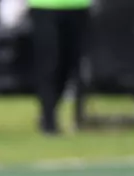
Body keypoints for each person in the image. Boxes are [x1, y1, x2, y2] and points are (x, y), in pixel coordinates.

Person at [30, 0, 92, 135]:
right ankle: (48, 120)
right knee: (49, 63)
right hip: (45, 6)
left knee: (71, 63)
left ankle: (51, 110)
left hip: (77, 6)